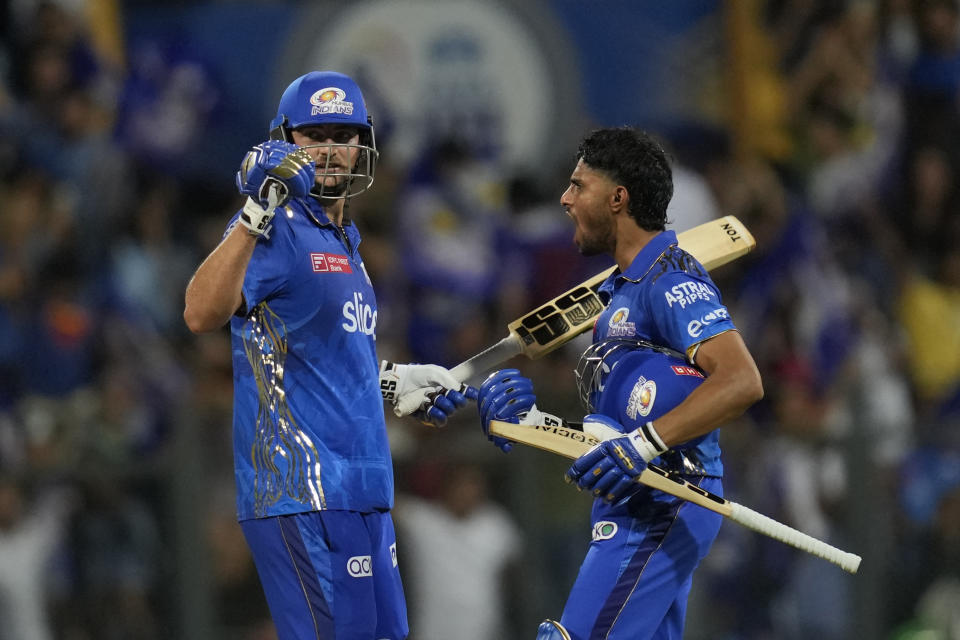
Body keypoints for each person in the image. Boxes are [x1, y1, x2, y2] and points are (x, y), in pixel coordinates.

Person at [183, 70, 472, 640]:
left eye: (343, 135)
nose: (330, 150)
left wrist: (396, 382)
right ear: (282, 141)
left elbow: (328, 359)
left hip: (366, 488)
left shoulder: (347, 241)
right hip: (302, 488)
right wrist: (253, 212)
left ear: (362, 144)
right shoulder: (277, 226)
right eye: (314, 135)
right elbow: (199, 313)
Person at [475, 126, 764, 640]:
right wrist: (521, 416)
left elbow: (741, 380)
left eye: (578, 186)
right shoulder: (616, 292)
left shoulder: (671, 277)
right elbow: (615, 424)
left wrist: (645, 443)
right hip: (633, 500)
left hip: (665, 498)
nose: (564, 199)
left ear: (617, 198)